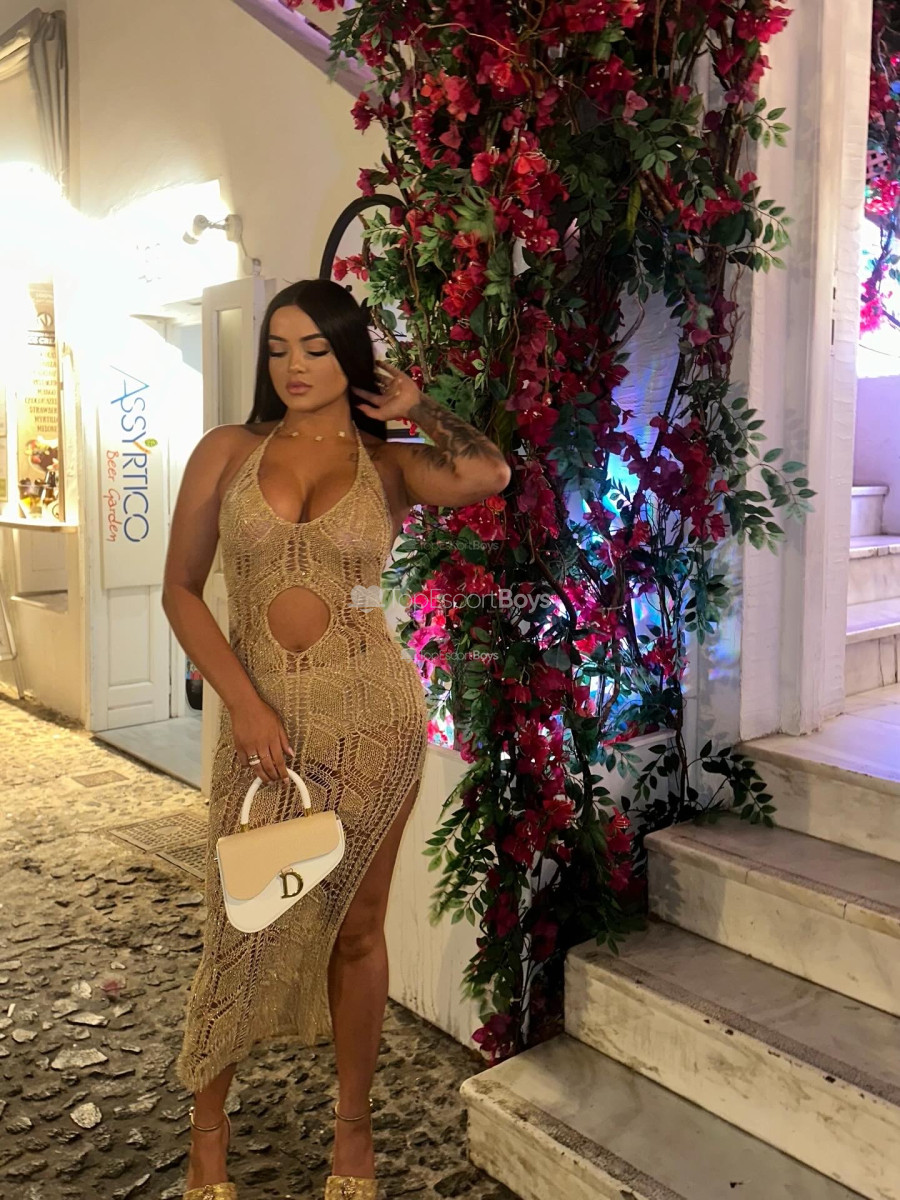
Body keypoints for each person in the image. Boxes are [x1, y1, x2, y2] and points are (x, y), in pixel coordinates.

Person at [161, 278, 511, 1200]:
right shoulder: (229, 450)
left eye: (316, 348)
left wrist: (418, 408)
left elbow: (489, 474)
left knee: (357, 930)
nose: (295, 366)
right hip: (261, 730)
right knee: (238, 925)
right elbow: (181, 590)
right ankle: (208, 1136)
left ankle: (352, 1133)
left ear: (350, 355)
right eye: (279, 349)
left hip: (373, 724)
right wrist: (243, 704)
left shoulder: (387, 461)